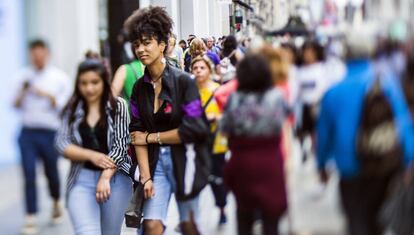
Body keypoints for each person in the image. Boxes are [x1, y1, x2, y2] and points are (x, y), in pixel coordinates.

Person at [317, 32, 414, 235]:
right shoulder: (386, 84)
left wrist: (322, 165)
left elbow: (324, 134)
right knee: (377, 221)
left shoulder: (333, 92)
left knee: (356, 221)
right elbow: (402, 123)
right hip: (383, 163)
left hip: (349, 168)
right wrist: (409, 158)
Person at [125, 6, 210, 235]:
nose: (141, 49)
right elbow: (136, 133)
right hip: (155, 164)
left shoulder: (184, 82)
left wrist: (152, 137)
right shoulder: (138, 88)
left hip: (186, 159)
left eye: (147, 42)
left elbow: (194, 129)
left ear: (162, 44)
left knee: (189, 225)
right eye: (137, 44)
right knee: (152, 225)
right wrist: (145, 177)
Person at [55, 59, 133, 235]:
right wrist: (91, 155)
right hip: (81, 179)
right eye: (83, 83)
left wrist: (105, 178)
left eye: (94, 82)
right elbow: (61, 143)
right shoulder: (72, 107)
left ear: (104, 82)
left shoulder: (118, 105)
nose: (89, 88)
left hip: (115, 180)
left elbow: (120, 147)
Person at [220, 53, 289, 235]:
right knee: (271, 218)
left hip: (242, 161)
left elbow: (225, 129)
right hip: (270, 161)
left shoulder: (235, 98)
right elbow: (285, 123)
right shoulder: (277, 97)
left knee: (244, 215)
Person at [13, 39, 72, 235]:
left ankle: (56, 201)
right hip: (27, 132)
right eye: (34, 54)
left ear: (47, 54)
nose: (37, 58)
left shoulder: (59, 77)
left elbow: (64, 106)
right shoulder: (22, 76)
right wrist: (23, 92)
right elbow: (14, 104)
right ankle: (30, 216)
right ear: (30, 54)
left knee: (51, 172)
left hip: (49, 132)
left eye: (41, 54)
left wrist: (44, 93)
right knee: (29, 173)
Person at [191, 56, 229, 225]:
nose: (198, 71)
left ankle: (222, 208)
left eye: (202, 68)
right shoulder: (190, 91)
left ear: (209, 70)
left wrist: (215, 117)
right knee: (196, 178)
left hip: (216, 140)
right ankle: (192, 215)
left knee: (216, 177)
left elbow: (228, 115)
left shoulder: (218, 91)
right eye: (195, 68)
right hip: (197, 141)